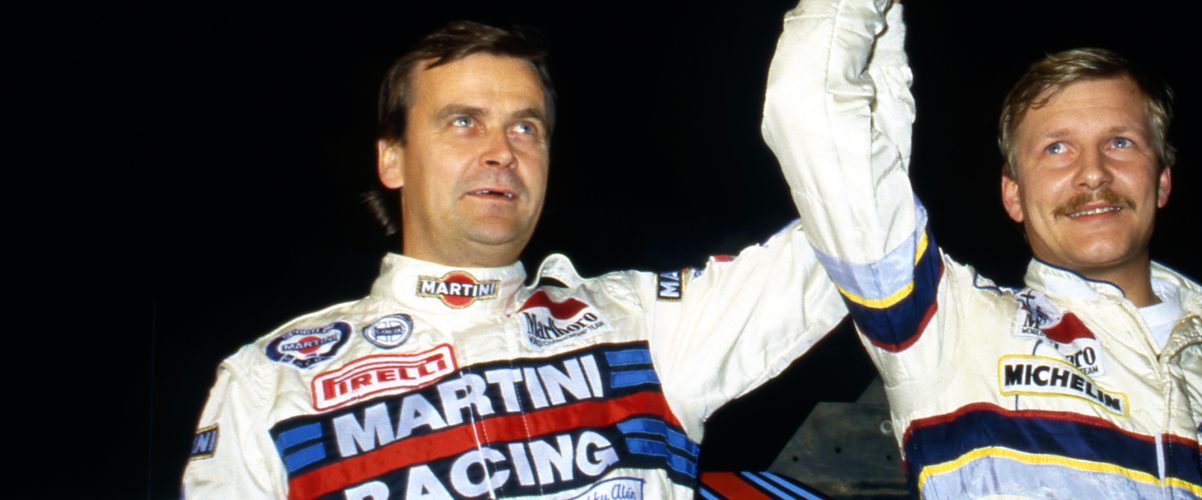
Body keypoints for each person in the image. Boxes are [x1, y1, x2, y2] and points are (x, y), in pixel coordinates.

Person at [182, 21, 845, 499]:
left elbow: (854, 230)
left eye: (525, 127)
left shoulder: (645, 326)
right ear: (393, 159)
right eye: (463, 121)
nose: (502, 151)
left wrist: (837, 44)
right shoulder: (274, 383)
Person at [763, 0, 1202, 497]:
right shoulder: (950, 330)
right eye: (1056, 148)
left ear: (1162, 180)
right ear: (1013, 194)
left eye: (1120, 143)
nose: (1093, 173)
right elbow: (809, 109)